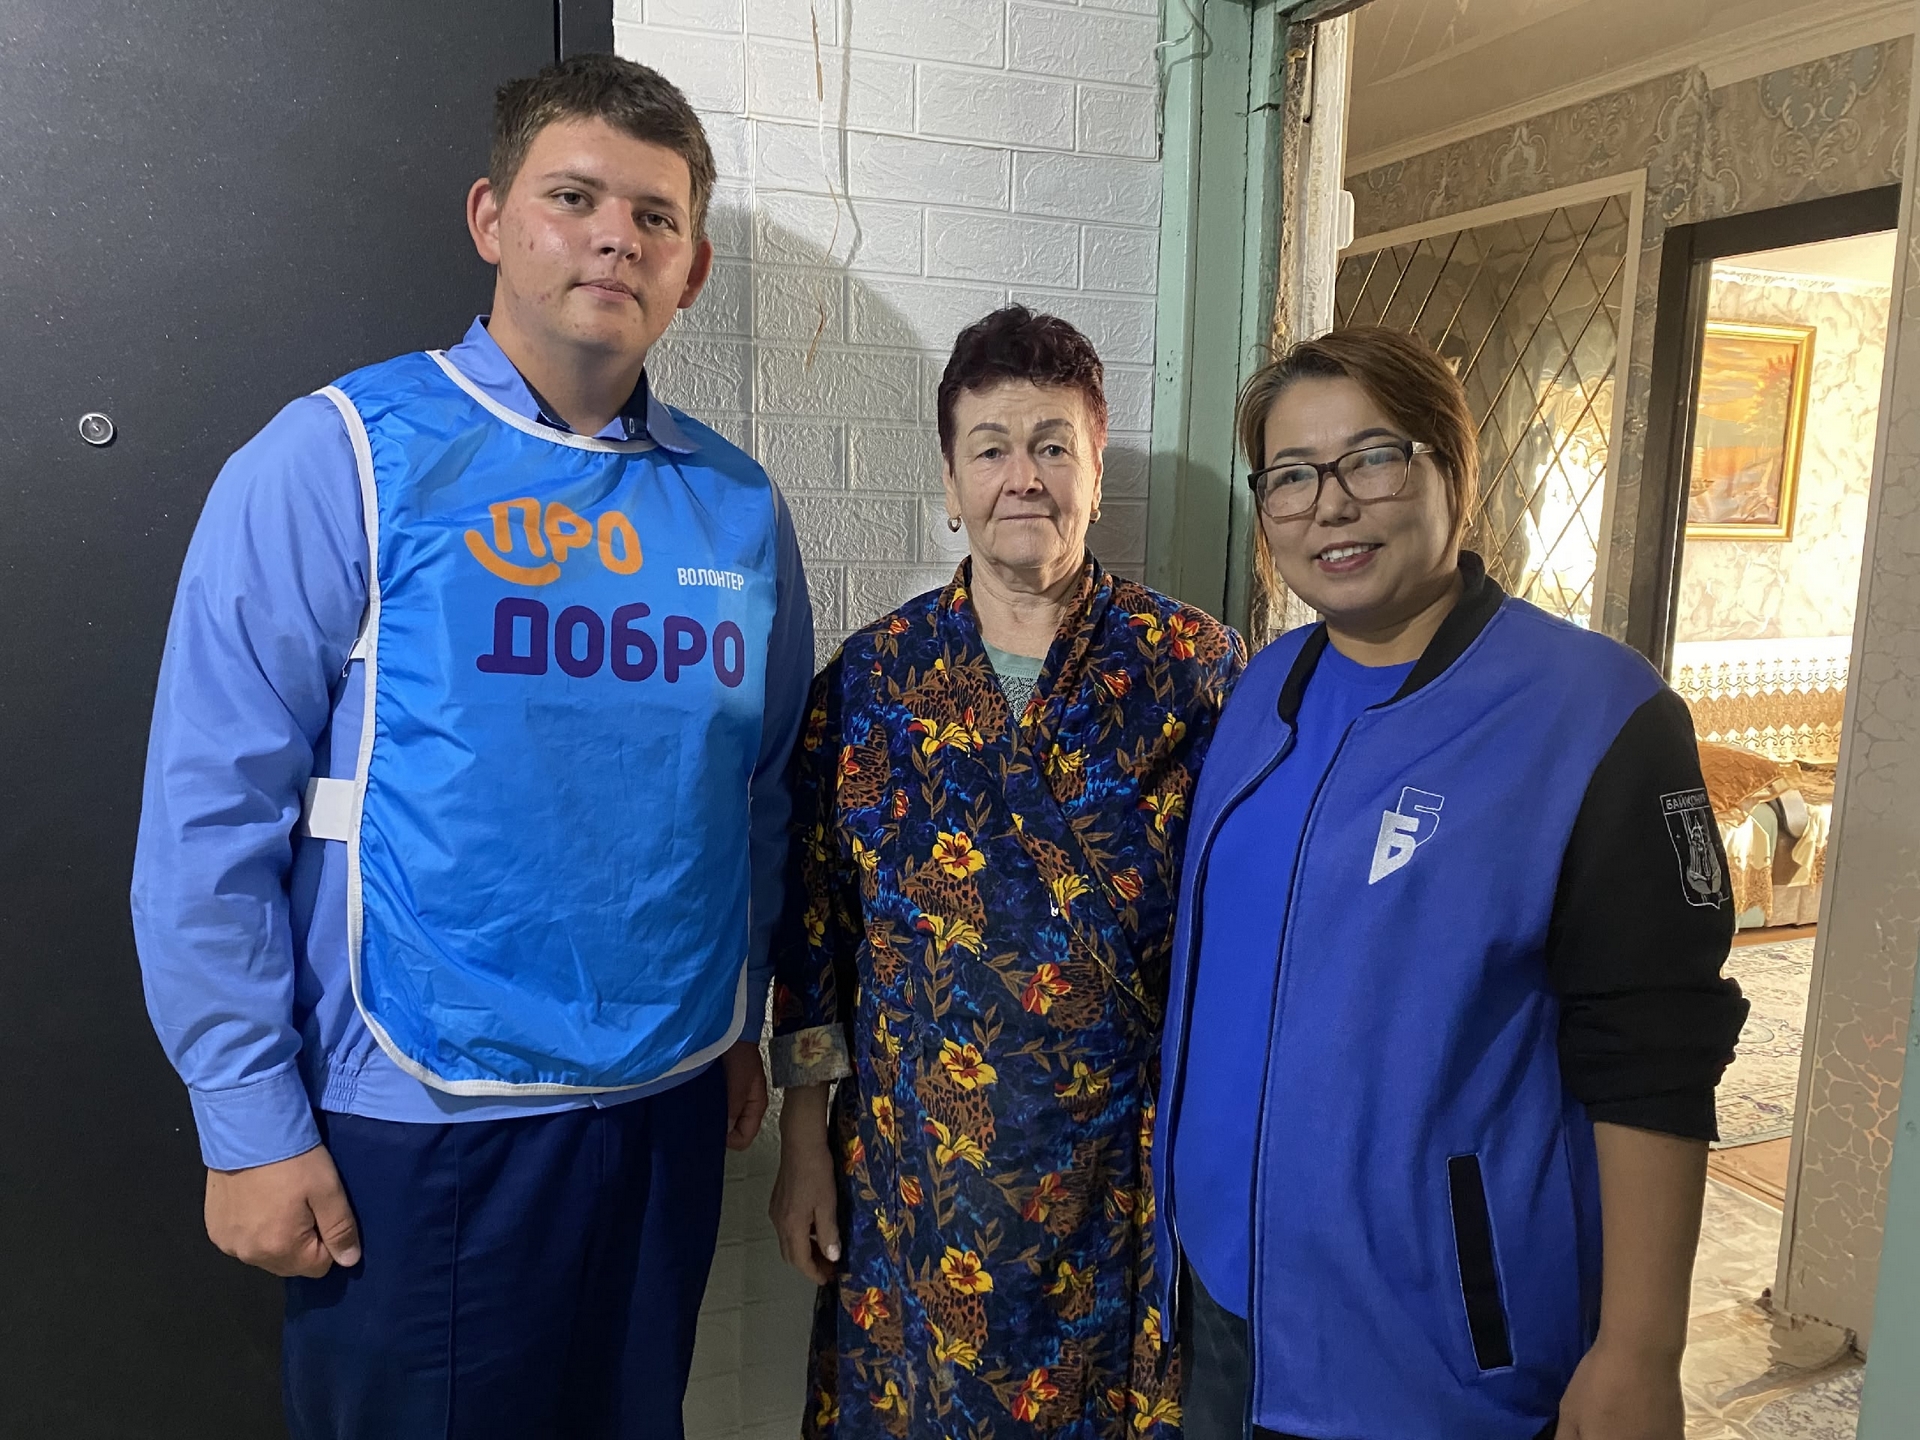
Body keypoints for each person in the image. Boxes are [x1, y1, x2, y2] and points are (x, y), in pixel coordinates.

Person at [130, 55, 812, 1439]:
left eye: (656, 217)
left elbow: (755, 795)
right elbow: (209, 814)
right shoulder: (339, 456)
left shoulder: (737, 507)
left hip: (667, 1108)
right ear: (492, 218)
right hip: (421, 1117)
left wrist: (736, 1023)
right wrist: (246, 1116)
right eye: (575, 198)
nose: (616, 238)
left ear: (693, 268)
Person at [1154, 327, 1748, 1440]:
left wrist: (1640, 1349)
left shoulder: (1593, 716)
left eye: (1372, 458)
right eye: (1291, 476)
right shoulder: (1261, 691)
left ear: (1452, 470)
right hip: (1228, 1310)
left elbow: (1657, 1055)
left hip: (1441, 1351)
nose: (1332, 505)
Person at [768, 306, 1245, 1440]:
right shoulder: (872, 682)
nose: (1021, 477)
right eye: (990, 449)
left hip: (1123, 1178)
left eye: (1051, 446)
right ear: (950, 481)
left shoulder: (1197, 672)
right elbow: (815, 936)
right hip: (914, 1179)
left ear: (1094, 471)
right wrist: (803, 1146)